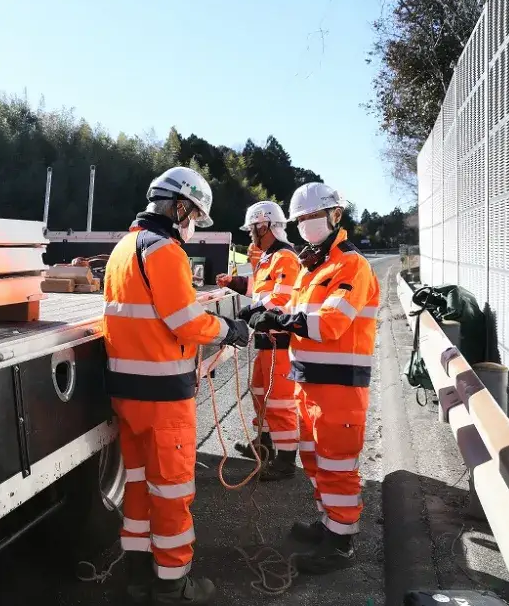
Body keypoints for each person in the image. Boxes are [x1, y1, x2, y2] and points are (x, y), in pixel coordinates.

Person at [102, 166, 251, 605]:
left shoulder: (123, 248)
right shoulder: (165, 250)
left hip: (127, 394)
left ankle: (135, 574)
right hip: (164, 397)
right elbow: (184, 322)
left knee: (137, 484)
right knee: (171, 490)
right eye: (193, 216)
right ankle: (172, 584)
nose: (191, 227)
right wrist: (229, 329)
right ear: (180, 206)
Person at [244, 182, 380, 574]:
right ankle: (328, 525)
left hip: (339, 387)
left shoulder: (350, 265)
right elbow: (290, 303)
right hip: (309, 382)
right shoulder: (312, 266)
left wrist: (280, 319)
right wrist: (260, 311)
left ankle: (340, 543)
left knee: (337, 464)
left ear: (336, 216)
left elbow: (333, 322)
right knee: (316, 460)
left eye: (312, 217)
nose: (306, 225)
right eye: (301, 219)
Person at [215, 201, 300, 480]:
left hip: (281, 341)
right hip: (267, 341)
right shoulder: (269, 257)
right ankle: (264, 445)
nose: (250, 233)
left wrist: (252, 310)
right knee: (260, 393)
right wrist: (233, 283)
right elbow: (258, 289)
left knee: (279, 401)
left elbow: (283, 299)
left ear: (263, 225)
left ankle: (286, 460)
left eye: (252, 227)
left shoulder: (284, 257)